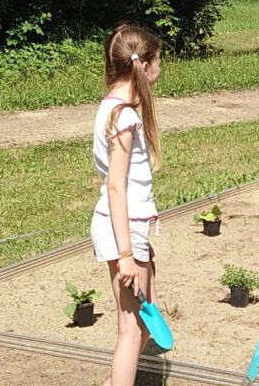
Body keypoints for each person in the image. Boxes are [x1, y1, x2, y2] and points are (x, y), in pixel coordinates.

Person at [88, 23, 164, 386]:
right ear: (144, 65)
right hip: (122, 229)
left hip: (126, 226)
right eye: (159, 61)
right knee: (131, 329)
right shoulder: (126, 116)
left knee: (146, 322)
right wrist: (126, 254)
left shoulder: (110, 106)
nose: (161, 69)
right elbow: (116, 186)